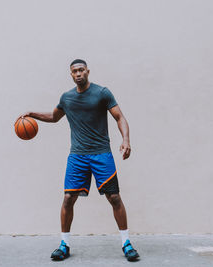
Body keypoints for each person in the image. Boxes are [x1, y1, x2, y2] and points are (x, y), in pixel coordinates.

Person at [17, 59, 139, 261]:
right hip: (77, 156)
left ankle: (126, 242)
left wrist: (126, 140)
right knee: (68, 198)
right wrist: (32, 114)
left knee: (114, 198)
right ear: (71, 75)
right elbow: (54, 117)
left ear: (88, 71)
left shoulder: (102, 93)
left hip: (102, 154)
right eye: (75, 71)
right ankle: (64, 244)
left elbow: (120, 117)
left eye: (82, 70)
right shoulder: (67, 98)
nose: (78, 74)